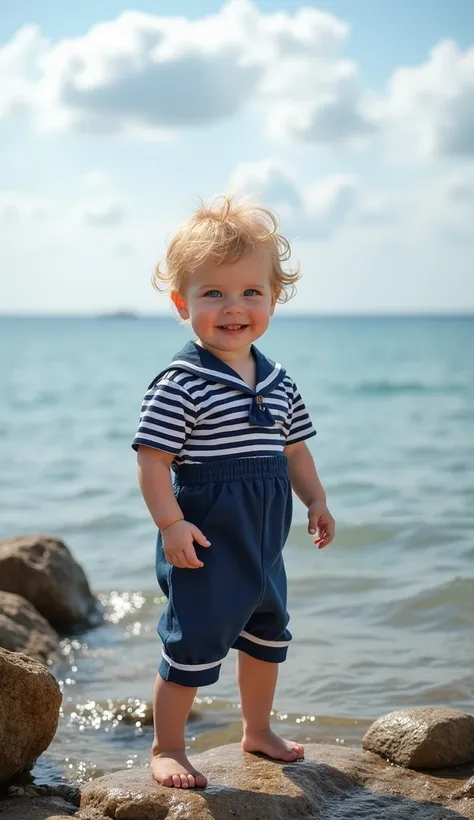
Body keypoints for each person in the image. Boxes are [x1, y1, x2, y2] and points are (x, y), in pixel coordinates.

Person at [132, 196, 335, 790]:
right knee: (191, 638)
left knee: (268, 633)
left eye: (250, 292)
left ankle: (257, 729)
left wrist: (316, 500)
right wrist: (170, 524)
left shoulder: (278, 379)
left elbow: (295, 450)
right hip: (207, 535)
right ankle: (167, 745)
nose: (234, 307)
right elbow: (153, 461)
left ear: (274, 298)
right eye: (213, 293)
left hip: (264, 538)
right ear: (182, 304)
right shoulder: (181, 382)